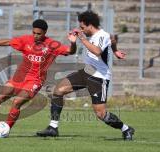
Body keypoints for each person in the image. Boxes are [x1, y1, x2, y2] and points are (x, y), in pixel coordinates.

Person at [0, 19, 77, 133]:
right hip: (19, 77)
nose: (35, 36)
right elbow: (8, 42)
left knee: (17, 102)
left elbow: (70, 51)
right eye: (34, 33)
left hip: (35, 81)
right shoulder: (26, 40)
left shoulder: (52, 45)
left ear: (45, 32)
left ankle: (6, 129)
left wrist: (73, 42)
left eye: (39, 34)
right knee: (0, 97)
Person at [36, 11, 135, 140]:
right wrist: (115, 51)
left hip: (99, 77)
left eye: (83, 27)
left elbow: (98, 51)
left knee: (101, 114)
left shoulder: (101, 35)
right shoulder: (102, 36)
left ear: (90, 25)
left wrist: (82, 38)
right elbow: (113, 38)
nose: (81, 29)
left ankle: (126, 129)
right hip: (86, 72)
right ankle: (53, 127)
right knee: (58, 91)